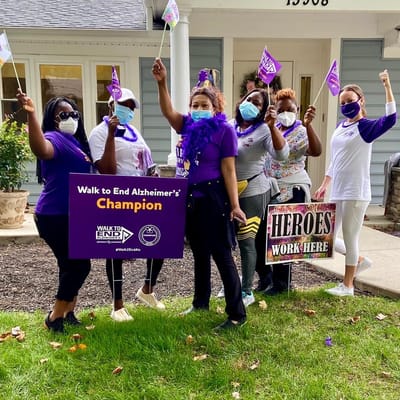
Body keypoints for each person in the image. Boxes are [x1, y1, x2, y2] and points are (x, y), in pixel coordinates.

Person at [152, 57, 247, 330]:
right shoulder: (187, 125)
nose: (199, 109)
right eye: (195, 105)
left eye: (205, 105)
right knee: (199, 251)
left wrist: (234, 205)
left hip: (213, 196)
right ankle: (200, 301)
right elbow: (168, 111)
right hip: (189, 195)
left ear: (216, 107)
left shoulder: (225, 131)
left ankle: (236, 314)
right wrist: (162, 83)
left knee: (221, 254)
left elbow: (229, 170)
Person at [314, 69, 396, 296]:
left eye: (350, 101)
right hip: (338, 190)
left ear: (361, 101)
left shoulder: (367, 128)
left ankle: (348, 286)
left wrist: (387, 85)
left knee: (351, 238)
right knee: (327, 237)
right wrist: (324, 184)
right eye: (342, 102)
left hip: (356, 192)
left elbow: (391, 119)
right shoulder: (341, 127)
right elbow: (335, 159)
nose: (346, 105)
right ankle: (359, 260)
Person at [16, 89, 92, 333]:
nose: (69, 118)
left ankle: (69, 311)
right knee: (79, 265)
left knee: (67, 264)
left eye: (72, 113)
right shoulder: (53, 137)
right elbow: (41, 149)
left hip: (74, 214)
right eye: (62, 115)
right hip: (54, 214)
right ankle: (54, 316)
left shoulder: (78, 142)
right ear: (53, 119)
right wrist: (31, 115)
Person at [89, 88, 165, 322]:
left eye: (132, 107)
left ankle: (147, 290)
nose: (129, 110)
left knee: (157, 241)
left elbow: (144, 160)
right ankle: (117, 304)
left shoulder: (133, 131)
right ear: (112, 105)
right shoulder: (99, 133)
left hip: (142, 197)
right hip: (115, 197)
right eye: (125, 105)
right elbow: (108, 171)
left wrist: (152, 173)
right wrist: (111, 134)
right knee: (116, 248)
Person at [220, 89, 289, 306]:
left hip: (252, 190)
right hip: (226, 190)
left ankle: (247, 291)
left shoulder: (264, 130)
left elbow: (282, 155)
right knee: (226, 241)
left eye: (256, 103)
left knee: (247, 242)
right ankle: (232, 282)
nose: (250, 103)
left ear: (263, 110)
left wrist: (271, 126)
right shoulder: (230, 125)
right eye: (248, 99)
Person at [262, 88, 322, 295]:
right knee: (268, 235)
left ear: (297, 109)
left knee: (284, 236)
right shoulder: (272, 126)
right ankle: (268, 279)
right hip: (272, 188)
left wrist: (309, 125)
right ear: (275, 110)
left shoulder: (301, 129)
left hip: (293, 187)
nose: (286, 112)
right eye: (282, 109)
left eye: (291, 109)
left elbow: (316, 151)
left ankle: (282, 284)